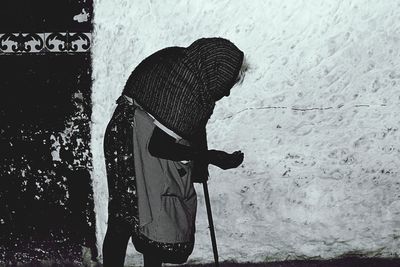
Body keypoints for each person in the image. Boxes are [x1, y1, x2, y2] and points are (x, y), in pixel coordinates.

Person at [102, 37, 247, 267]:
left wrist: (201, 165)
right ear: (217, 71)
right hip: (128, 140)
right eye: (229, 83)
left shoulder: (197, 80)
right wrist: (209, 157)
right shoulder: (181, 82)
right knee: (124, 218)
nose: (227, 92)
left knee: (159, 212)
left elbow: (195, 122)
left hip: (150, 138)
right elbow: (159, 146)